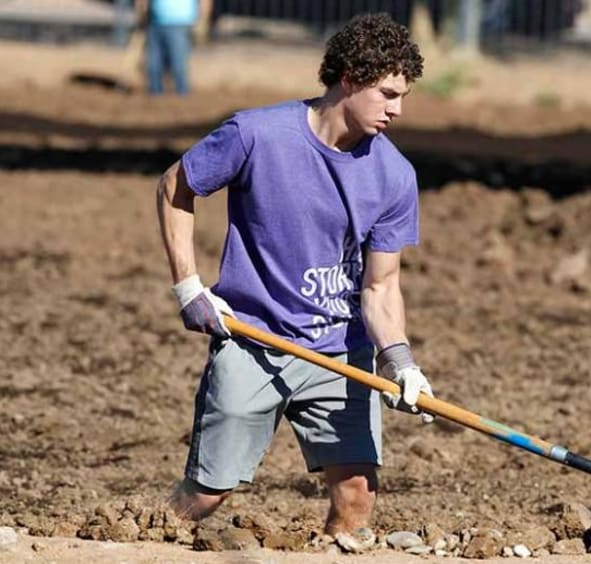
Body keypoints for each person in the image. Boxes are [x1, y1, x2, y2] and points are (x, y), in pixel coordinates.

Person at [156, 13, 434, 534]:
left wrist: (400, 362)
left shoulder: (395, 175)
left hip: (337, 351)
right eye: (388, 94)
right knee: (206, 495)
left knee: (357, 497)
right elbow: (176, 186)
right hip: (252, 339)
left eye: (403, 97)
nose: (397, 110)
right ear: (349, 78)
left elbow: (380, 286)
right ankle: (137, 536)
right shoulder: (256, 134)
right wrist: (189, 287)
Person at [135, 0, 212, 95]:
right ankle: (157, 93)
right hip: (156, 22)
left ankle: (181, 93)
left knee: (176, 63)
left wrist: (203, 18)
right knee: (154, 63)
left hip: (179, 22)